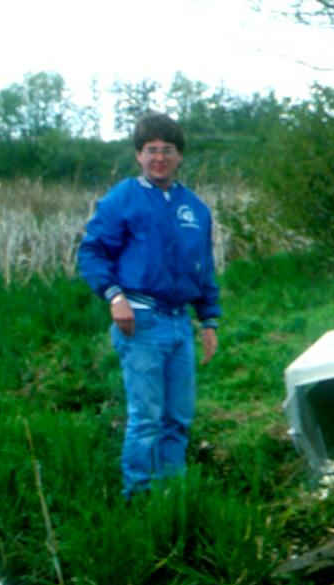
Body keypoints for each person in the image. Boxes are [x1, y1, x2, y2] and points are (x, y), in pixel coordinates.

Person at [78, 112, 221, 498]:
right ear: (139, 155)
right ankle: (138, 499)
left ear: (179, 156)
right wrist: (114, 296)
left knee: (178, 419)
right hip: (139, 322)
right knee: (146, 420)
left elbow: (203, 268)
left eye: (168, 150)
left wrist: (208, 321)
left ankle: (171, 495)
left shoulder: (195, 208)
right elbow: (91, 253)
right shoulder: (122, 199)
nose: (160, 157)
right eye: (151, 150)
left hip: (179, 325)